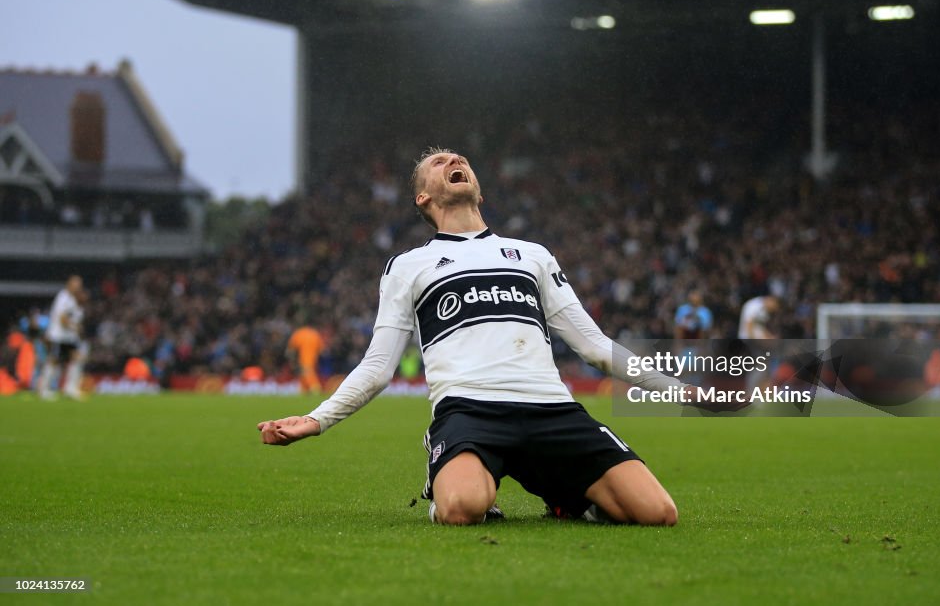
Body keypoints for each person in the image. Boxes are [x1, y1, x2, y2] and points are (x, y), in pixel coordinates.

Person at [259, 148, 689, 526]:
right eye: (438, 162)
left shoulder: (532, 255)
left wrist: (681, 392)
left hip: (551, 409)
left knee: (657, 514)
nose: (454, 161)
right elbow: (378, 366)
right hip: (469, 410)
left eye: (459, 158)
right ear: (423, 197)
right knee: (463, 509)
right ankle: (446, 479)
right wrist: (318, 419)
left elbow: (594, 346)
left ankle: (567, 501)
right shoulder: (409, 265)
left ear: (479, 192)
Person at [37, 275, 85, 400]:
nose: (78, 287)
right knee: (54, 361)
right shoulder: (64, 298)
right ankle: (44, 389)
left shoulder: (72, 299)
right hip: (59, 335)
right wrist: (75, 327)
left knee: (76, 358)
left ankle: (70, 388)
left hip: (68, 337)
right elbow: (62, 318)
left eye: (79, 285)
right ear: (69, 284)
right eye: (76, 284)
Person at [286, 323, 325, 394]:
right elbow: (322, 350)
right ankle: (303, 391)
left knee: (308, 373)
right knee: (304, 374)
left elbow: (291, 350)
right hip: (314, 358)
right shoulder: (315, 333)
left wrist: (292, 361)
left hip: (303, 358)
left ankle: (316, 389)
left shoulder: (299, 333)